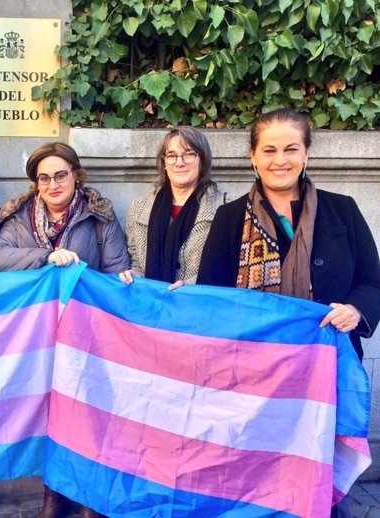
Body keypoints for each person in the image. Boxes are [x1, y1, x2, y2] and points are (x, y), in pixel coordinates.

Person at [195, 109, 380, 518]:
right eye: (270, 150)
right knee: (258, 467)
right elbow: (211, 293)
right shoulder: (230, 217)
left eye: (291, 149)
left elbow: (372, 280)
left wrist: (355, 310)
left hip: (326, 366)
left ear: (307, 154)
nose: (281, 160)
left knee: (325, 465)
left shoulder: (342, 211)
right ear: (253, 157)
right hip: (255, 373)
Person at [0, 142, 130, 518]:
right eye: (44, 178)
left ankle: (86, 496)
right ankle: (53, 494)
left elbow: (117, 268)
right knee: (49, 414)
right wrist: (45, 258)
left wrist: (119, 279)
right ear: (36, 184)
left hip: (87, 335)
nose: (53, 184)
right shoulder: (18, 218)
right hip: (36, 337)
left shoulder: (99, 217)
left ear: (75, 176)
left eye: (60, 175)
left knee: (86, 413)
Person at [121, 126, 228, 284]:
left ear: (202, 160)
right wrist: (133, 276)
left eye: (189, 154)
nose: (179, 162)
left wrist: (190, 285)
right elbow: (137, 264)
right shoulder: (138, 210)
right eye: (171, 156)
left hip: (199, 304)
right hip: (152, 305)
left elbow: (227, 267)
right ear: (164, 163)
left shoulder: (225, 208)